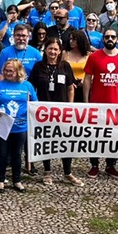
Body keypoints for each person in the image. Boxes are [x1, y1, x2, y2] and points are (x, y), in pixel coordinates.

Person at [29, 37, 82, 186]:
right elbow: (31, 88)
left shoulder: (65, 66)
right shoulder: (38, 66)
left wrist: (70, 106)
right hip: (44, 112)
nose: (52, 52)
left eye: (55, 49)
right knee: (47, 141)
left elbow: (70, 87)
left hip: (62, 111)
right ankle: (47, 171)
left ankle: (67, 172)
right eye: (50, 48)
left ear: (60, 51)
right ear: (45, 50)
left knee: (65, 141)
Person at [83, 29, 118, 178]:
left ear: (117, 39)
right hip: (97, 104)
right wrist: (86, 101)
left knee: (114, 136)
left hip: (117, 105)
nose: (110, 39)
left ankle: (111, 164)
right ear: (103, 39)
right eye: (107, 37)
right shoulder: (94, 57)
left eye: (113, 36)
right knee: (95, 135)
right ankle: (94, 164)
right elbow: (87, 79)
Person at [0, 58, 37, 192]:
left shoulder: (27, 86)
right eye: (6, 70)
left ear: (18, 71)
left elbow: (35, 103)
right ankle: (0, 180)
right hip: (3, 125)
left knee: (17, 154)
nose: (7, 73)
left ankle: (17, 180)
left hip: (20, 126)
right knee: (2, 153)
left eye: (10, 71)